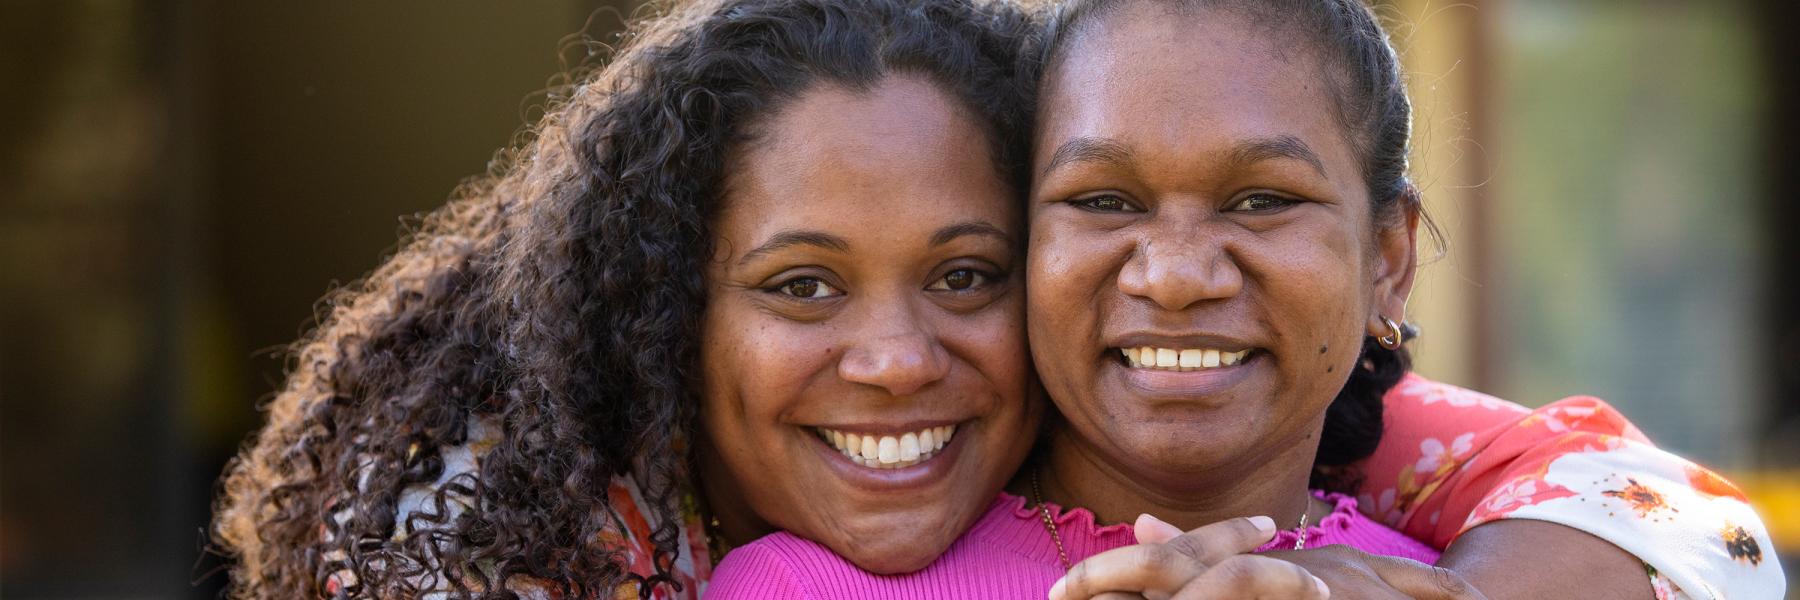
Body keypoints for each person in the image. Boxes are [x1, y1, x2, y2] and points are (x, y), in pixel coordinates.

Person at [212, 0, 1782, 599]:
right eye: (800, 285)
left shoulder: (1362, 484)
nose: (895, 361)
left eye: (964, 275)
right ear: (660, 313)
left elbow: (1696, 529)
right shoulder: (501, 527)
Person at [707, 0, 1785, 598]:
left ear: (1389, 261)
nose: (1174, 276)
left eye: (1263, 199)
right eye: (1103, 198)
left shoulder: (1469, 590)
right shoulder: (792, 583)